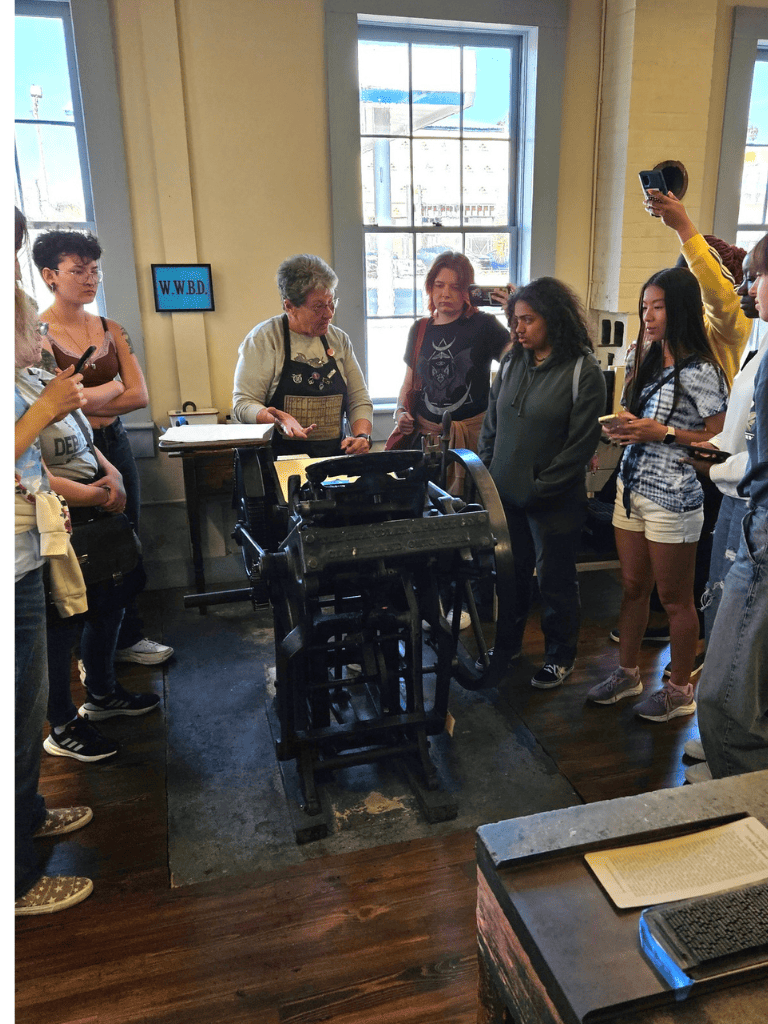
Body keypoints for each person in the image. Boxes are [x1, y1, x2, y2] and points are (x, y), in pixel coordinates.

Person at [588, 267, 728, 720]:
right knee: (633, 588)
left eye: (659, 306)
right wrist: (625, 430)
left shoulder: (703, 371)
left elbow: (717, 441)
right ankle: (628, 674)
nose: (648, 316)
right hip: (632, 487)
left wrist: (663, 433)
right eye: (645, 306)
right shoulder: (646, 359)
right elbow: (637, 418)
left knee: (675, 600)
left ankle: (680, 689)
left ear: (681, 309)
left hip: (675, 494)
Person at [32, 229, 173, 667]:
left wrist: (84, 397)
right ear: (50, 276)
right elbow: (48, 408)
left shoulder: (111, 328)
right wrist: (110, 388)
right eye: (79, 271)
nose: (91, 279)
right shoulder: (36, 335)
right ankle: (86, 651)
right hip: (66, 454)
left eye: (95, 270)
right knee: (80, 546)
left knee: (124, 534)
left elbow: (139, 397)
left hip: (114, 441)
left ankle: (128, 638)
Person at [15, 207, 93, 915]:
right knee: (14, 715)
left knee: (28, 704)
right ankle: (16, 881)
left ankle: (31, 812)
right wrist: (46, 407)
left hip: (27, 550)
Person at [478, 277, 606, 688]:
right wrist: (485, 470)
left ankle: (559, 656)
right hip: (505, 495)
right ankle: (508, 645)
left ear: (553, 319)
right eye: (516, 319)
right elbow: (492, 422)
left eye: (528, 320)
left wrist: (539, 488)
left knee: (554, 581)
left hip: (553, 501)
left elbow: (579, 445)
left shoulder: (583, 372)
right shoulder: (514, 361)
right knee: (510, 577)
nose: (518, 328)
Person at [693, 234, 768, 780]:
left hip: (759, 525)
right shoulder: (760, 344)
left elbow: (756, 460)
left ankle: (746, 821)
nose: (749, 289)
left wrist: (716, 466)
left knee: (721, 700)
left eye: (756, 277)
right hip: (748, 515)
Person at [232, 253, 373, 457]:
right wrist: (277, 418)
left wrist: (362, 437)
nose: (329, 314)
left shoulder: (339, 340)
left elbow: (358, 399)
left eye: (331, 302)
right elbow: (242, 404)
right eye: (318, 307)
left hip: (333, 461)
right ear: (289, 306)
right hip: (279, 464)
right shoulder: (265, 340)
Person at [393, 252, 509, 472]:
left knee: (470, 504)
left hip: (472, 444)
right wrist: (400, 413)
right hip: (426, 442)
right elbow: (408, 384)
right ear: (430, 288)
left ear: (468, 291)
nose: (445, 293)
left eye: (455, 287)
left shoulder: (484, 325)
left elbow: (518, 358)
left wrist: (513, 314)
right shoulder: (420, 329)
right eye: (439, 285)